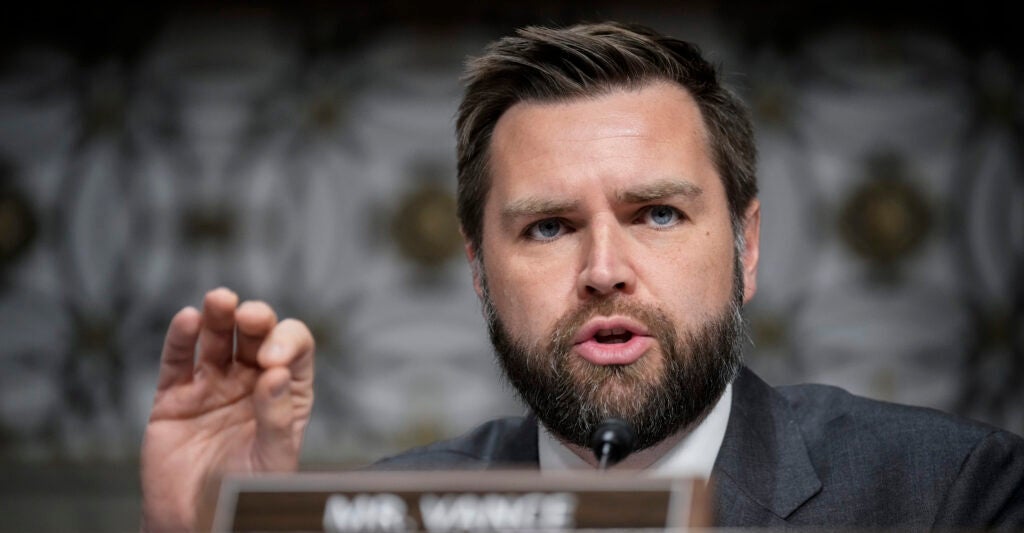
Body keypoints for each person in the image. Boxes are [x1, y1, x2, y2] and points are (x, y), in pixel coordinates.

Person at [140, 22, 1024, 531]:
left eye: (659, 215)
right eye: (550, 226)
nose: (604, 272)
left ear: (747, 247)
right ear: (480, 272)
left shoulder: (951, 492)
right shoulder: (400, 514)